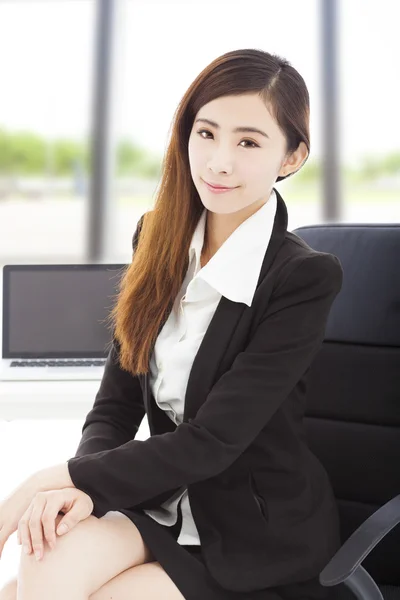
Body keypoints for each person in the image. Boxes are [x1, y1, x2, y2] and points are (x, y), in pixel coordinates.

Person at [0, 48, 343, 600]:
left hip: (249, 530)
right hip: (157, 501)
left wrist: (54, 477)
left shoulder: (302, 277)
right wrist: (86, 489)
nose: (219, 162)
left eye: (249, 142)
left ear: (291, 157)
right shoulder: (156, 237)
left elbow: (213, 441)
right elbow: (115, 406)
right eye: (206, 133)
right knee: (47, 554)